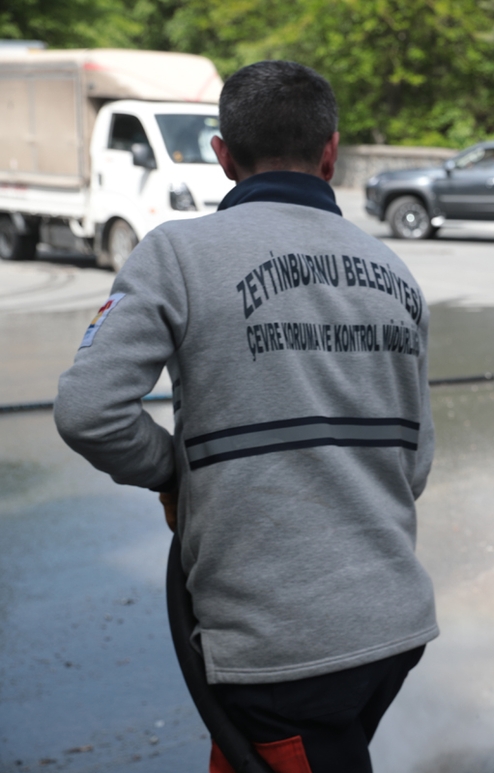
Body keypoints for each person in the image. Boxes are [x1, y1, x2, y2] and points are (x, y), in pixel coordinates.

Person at [54, 60, 438, 773]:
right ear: (331, 152)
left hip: (284, 651)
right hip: (393, 626)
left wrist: (175, 469)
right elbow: (413, 466)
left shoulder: (178, 255)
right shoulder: (395, 272)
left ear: (223, 155)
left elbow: (88, 411)